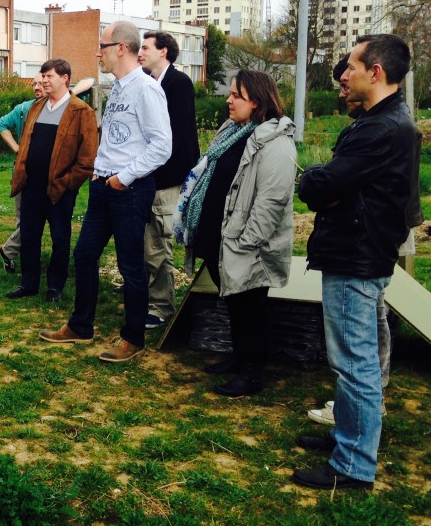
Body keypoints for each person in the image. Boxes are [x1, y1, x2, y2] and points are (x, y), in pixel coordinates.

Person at [293, 33, 421, 491]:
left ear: (377, 72)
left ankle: (352, 466)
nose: (343, 76)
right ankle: (347, 437)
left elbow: (321, 185)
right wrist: (328, 187)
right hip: (363, 249)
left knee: (355, 362)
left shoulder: (381, 130)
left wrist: (316, 184)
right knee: (356, 357)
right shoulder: (383, 122)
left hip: (357, 254)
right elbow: (337, 185)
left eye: (350, 67)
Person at [40, 21, 171, 361]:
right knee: (83, 256)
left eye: (103, 45)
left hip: (129, 189)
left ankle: (133, 338)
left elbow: (162, 146)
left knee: (131, 267)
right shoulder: (118, 88)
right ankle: (80, 326)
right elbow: (116, 138)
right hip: (103, 186)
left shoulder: (146, 88)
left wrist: (122, 177)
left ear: (122, 48)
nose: (98, 52)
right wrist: (100, 172)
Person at [174, 71, 297, 396]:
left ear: (256, 101)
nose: (228, 100)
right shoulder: (234, 131)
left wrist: (246, 242)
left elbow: (272, 200)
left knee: (251, 309)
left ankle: (252, 373)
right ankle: (239, 357)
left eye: (236, 96)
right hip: (221, 238)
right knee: (233, 303)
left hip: (246, 244)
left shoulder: (275, 142)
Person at [6, 59, 97, 302]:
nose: (44, 81)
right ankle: (28, 283)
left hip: (60, 190)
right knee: (29, 236)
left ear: (65, 78)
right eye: (43, 76)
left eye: (49, 76)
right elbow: (25, 144)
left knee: (60, 238)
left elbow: (87, 158)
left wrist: (68, 183)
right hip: (32, 186)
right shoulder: (36, 107)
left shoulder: (81, 112)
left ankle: (55, 287)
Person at [137, 32, 200, 329]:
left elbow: (181, 138)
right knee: (143, 242)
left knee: (159, 245)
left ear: (163, 52)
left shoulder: (178, 84)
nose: (140, 52)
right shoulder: (146, 84)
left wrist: (162, 180)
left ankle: (162, 305)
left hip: (166, 181)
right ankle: (145, 294)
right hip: (146, 177)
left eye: (146, 47)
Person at [0, 76, 45, 273]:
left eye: (41, 82)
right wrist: (17, 147)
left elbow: (89, 81)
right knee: (25, 219)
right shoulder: (23, 109)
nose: (37, 87)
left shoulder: (59, 107)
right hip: (23, 171)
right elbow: (1, 124)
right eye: (34, 84)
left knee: (30, 219)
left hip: (39, 171)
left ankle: (15, 256)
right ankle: (12, 254)